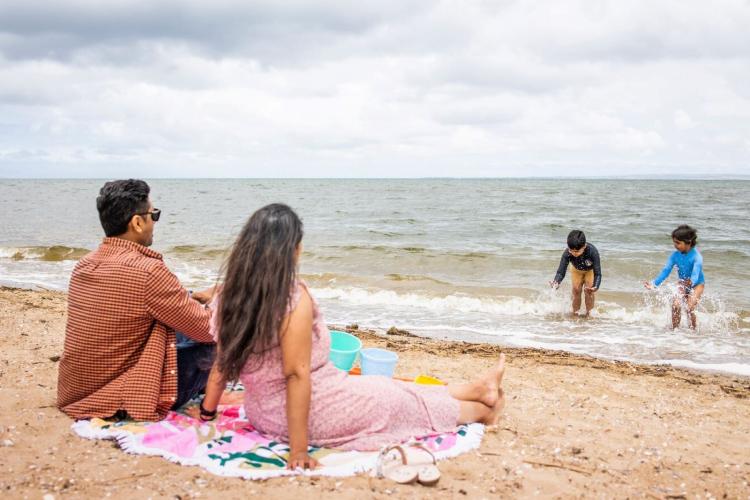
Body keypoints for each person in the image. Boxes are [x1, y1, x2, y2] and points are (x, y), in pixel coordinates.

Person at [198, 203, 506, 470]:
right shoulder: (292, 299)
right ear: (292, 249)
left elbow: (222, 364)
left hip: (262, 412)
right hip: (305, 412)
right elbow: (296, 375)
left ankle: (477, 389)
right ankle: (481, 411)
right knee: (392, 402)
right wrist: (299, 451)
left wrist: (206, 411)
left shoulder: (228, 296)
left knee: (387, 387)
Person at [57, 179, 217, 421]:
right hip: (125, 397)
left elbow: (134, 305)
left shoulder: (84, 264)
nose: (154, 221)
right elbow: (208, 330)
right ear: (137, 222)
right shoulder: (148, 271)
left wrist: (191, 298)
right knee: (223, 336)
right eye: (154, 215)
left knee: (181, 316)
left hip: (76, 391)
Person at [644, 225, 705, 329]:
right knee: (675, 305)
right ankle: (675, 330)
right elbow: (666, 271)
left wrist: (692, 281)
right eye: (674, 242)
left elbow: (696, 272)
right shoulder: (674, 256)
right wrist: (654, 284)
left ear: (688, 242)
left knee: (689, 308)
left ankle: (693, 331)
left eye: (678, 243)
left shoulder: (697, 256)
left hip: (697, 284)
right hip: (682, 283)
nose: (675, 245)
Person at [550, 230, 602, 317]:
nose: (574, 253)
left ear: (584, 246)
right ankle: (575, 314)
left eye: (577, 251)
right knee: (576, 290)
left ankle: (589, 315)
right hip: (576, 270)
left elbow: (598, 273)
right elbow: (561, 271)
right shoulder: (567, 253)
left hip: (590, 271)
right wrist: (556, 282)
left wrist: (596, 286)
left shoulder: (593, 252)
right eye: (571, 251)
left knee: (589, 291)